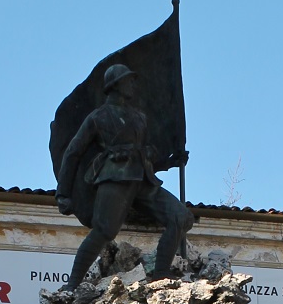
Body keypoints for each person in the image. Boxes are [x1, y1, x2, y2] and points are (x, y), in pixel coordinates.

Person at [55, 64, 193, 289]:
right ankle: (72, 285)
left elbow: (141, 153)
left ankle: (160, 278)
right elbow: (73, 152)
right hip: (114, 177)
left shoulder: (139, 117)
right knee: (104, 231)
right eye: (128, 81)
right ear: (116, 85)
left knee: (180, 217)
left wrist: (169, 161)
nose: (133, 85)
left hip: (142, 179)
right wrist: (63, 193)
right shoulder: (99, 116)